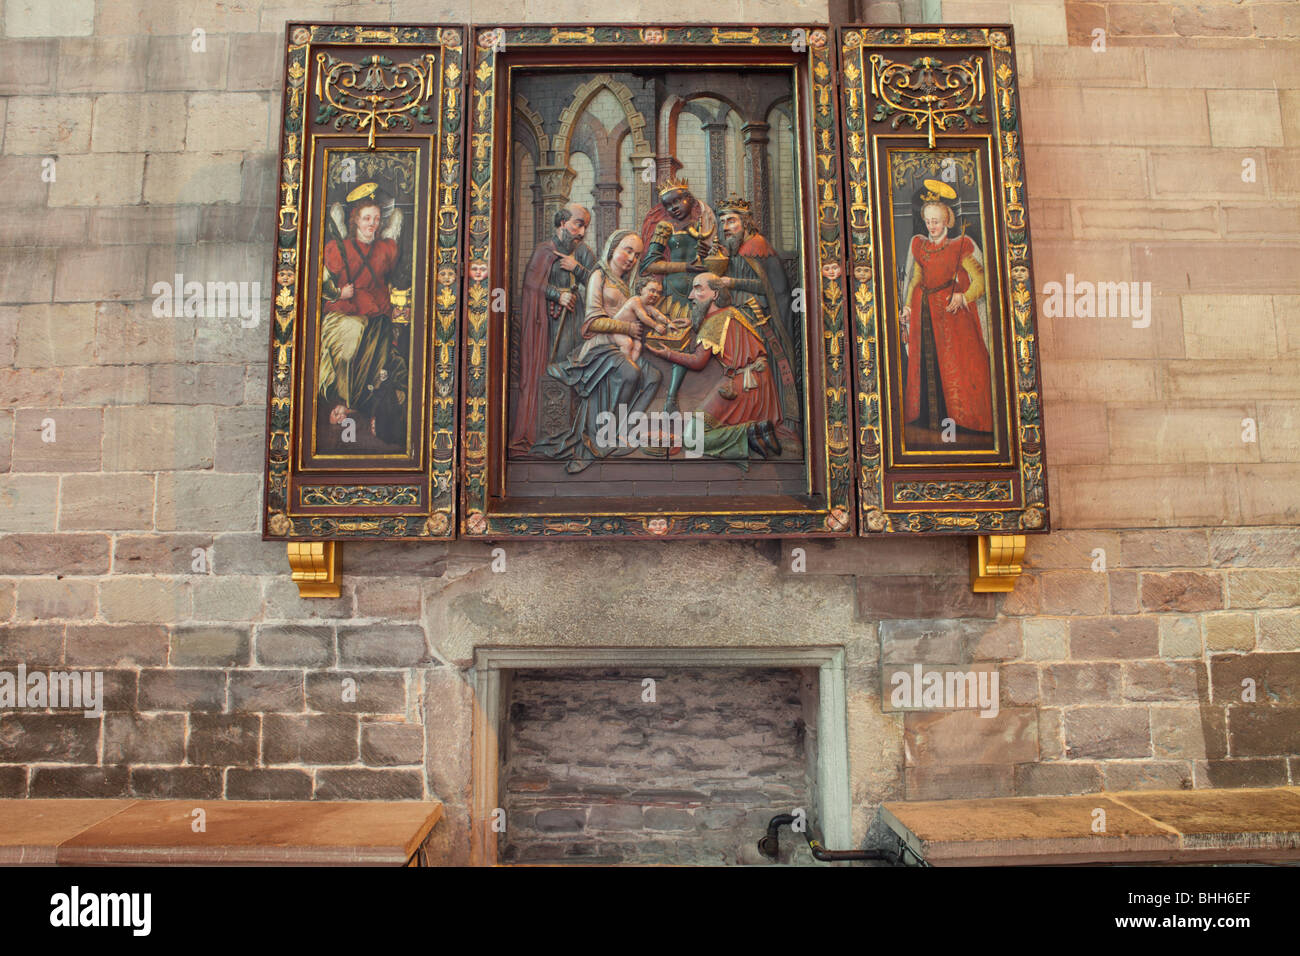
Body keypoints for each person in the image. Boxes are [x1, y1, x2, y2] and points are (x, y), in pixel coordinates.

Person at [531, 229, 663, 473]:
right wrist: (627, 327)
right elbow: (592, 322)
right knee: (631, 373)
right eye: (627, 250)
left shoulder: (627, 283)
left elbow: (644, 311)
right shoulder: (598, 276)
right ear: (613, 248)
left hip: (621, 345)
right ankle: (601, 436)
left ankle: (624, 429)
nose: (631, 258)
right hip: (599, 346)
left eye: (636, 254)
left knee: (653, 377)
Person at [646, 273, 782, 468]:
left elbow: (698, 361)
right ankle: (758, 432)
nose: (691, 296)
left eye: (698, 288)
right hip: (758, 380)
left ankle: (749, 433)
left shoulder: (715, 323)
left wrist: (667, 354)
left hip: (742, 386)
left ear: (715, 294)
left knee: (693, 438)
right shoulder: (730, 313)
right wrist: (693, 323)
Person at [898, 180, 993, 435]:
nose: (932, 226)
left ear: (947, 221)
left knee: (955, 366)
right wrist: (907, 307)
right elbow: (915, 278)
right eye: (928, 221)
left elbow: (981, 281)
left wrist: (963, 297)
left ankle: (962, 419)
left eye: (936, 221)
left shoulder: (960, 245)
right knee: (928, 364)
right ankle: (931, 418)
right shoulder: (919, 246)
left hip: (953, 317)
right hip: (924, 313)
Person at [318, 182, 408, 446]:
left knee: (385, 362)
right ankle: (344, 402)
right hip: (344, 314)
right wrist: (337, 294)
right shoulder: (337, 249)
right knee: (350, 342)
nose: (373, 224)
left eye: (377, 219)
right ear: (355, 220)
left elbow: (393, 280)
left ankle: (364, 408)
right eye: (367, 218)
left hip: (378, 316)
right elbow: (320, 283)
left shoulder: (386, 249)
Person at [510, 203, 596, 454]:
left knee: (576, 369)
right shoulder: (544, 251)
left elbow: (596, 282)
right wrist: (556, 295)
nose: (581, 232)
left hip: (576, 322)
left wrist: (576, 269)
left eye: (585, 226)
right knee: (553, 369)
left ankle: (573, 433)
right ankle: (549, 432)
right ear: (562, 223)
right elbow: (531, 285)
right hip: (547, 326)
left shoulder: (583, 252)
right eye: (578, 224)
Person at [714, 194, 801, 427]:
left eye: (731, 221)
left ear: (745, 222)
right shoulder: (738, 247)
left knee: (757, 369)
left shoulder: (757, 246)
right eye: (722, 222)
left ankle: (765, 417)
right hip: (741, 315)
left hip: (760, 318)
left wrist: (731, 283)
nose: (726, 227)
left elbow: (769, 287)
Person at [639, 177, 718, 413]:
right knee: (668, 338)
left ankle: (676, 395)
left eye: (678, 201)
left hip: (698, 294)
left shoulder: (704, 225)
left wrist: (710, 252)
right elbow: (650, 265)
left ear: (689, 199)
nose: (673, 207)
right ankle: (663, 395)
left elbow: (718, 262)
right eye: (668, 204)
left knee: (692, 343)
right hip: (672, 293)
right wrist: (684, 267)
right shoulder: (665, 227)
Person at [608, 275, 671, 364]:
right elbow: (643, 317)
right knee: (627, 343)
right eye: (652, 291)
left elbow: (657, 314)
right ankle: (623, 366)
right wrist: (656, 326)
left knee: (638, 346)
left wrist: (669, 323)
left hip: (631, 333)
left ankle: (632, 364)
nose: (655, 295)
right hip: (618, 330)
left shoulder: (648, 305)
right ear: (641, 290)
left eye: (658, 293)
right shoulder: (635, 300)